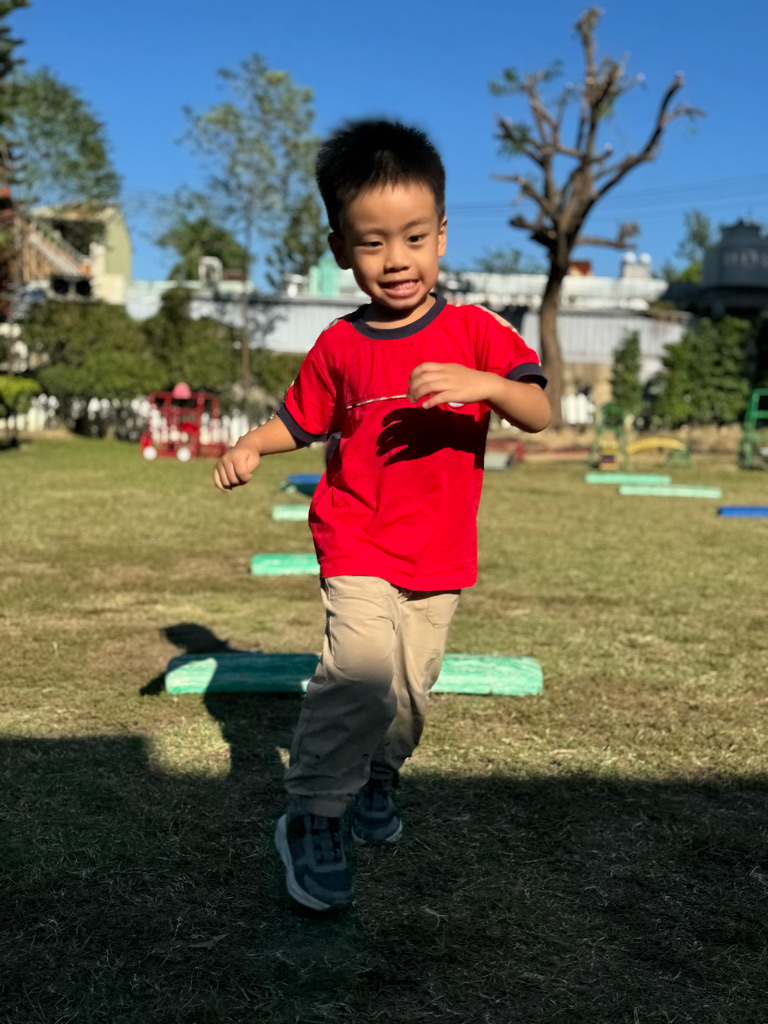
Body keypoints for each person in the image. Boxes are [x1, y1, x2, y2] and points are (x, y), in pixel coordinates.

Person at [213, 119, 551, 911]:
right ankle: (312, 816)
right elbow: (300, 420)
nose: (396, 259)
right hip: (356, 538)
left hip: (438, 555)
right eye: (372, 243)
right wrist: (252, 445)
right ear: (341, 249)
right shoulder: (339, 345)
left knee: (408, 694)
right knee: (360, 675)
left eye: (413, 238)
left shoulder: (477, 331)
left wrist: (487, 386)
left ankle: (378, 776)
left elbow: (538, 410)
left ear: (442, 235)